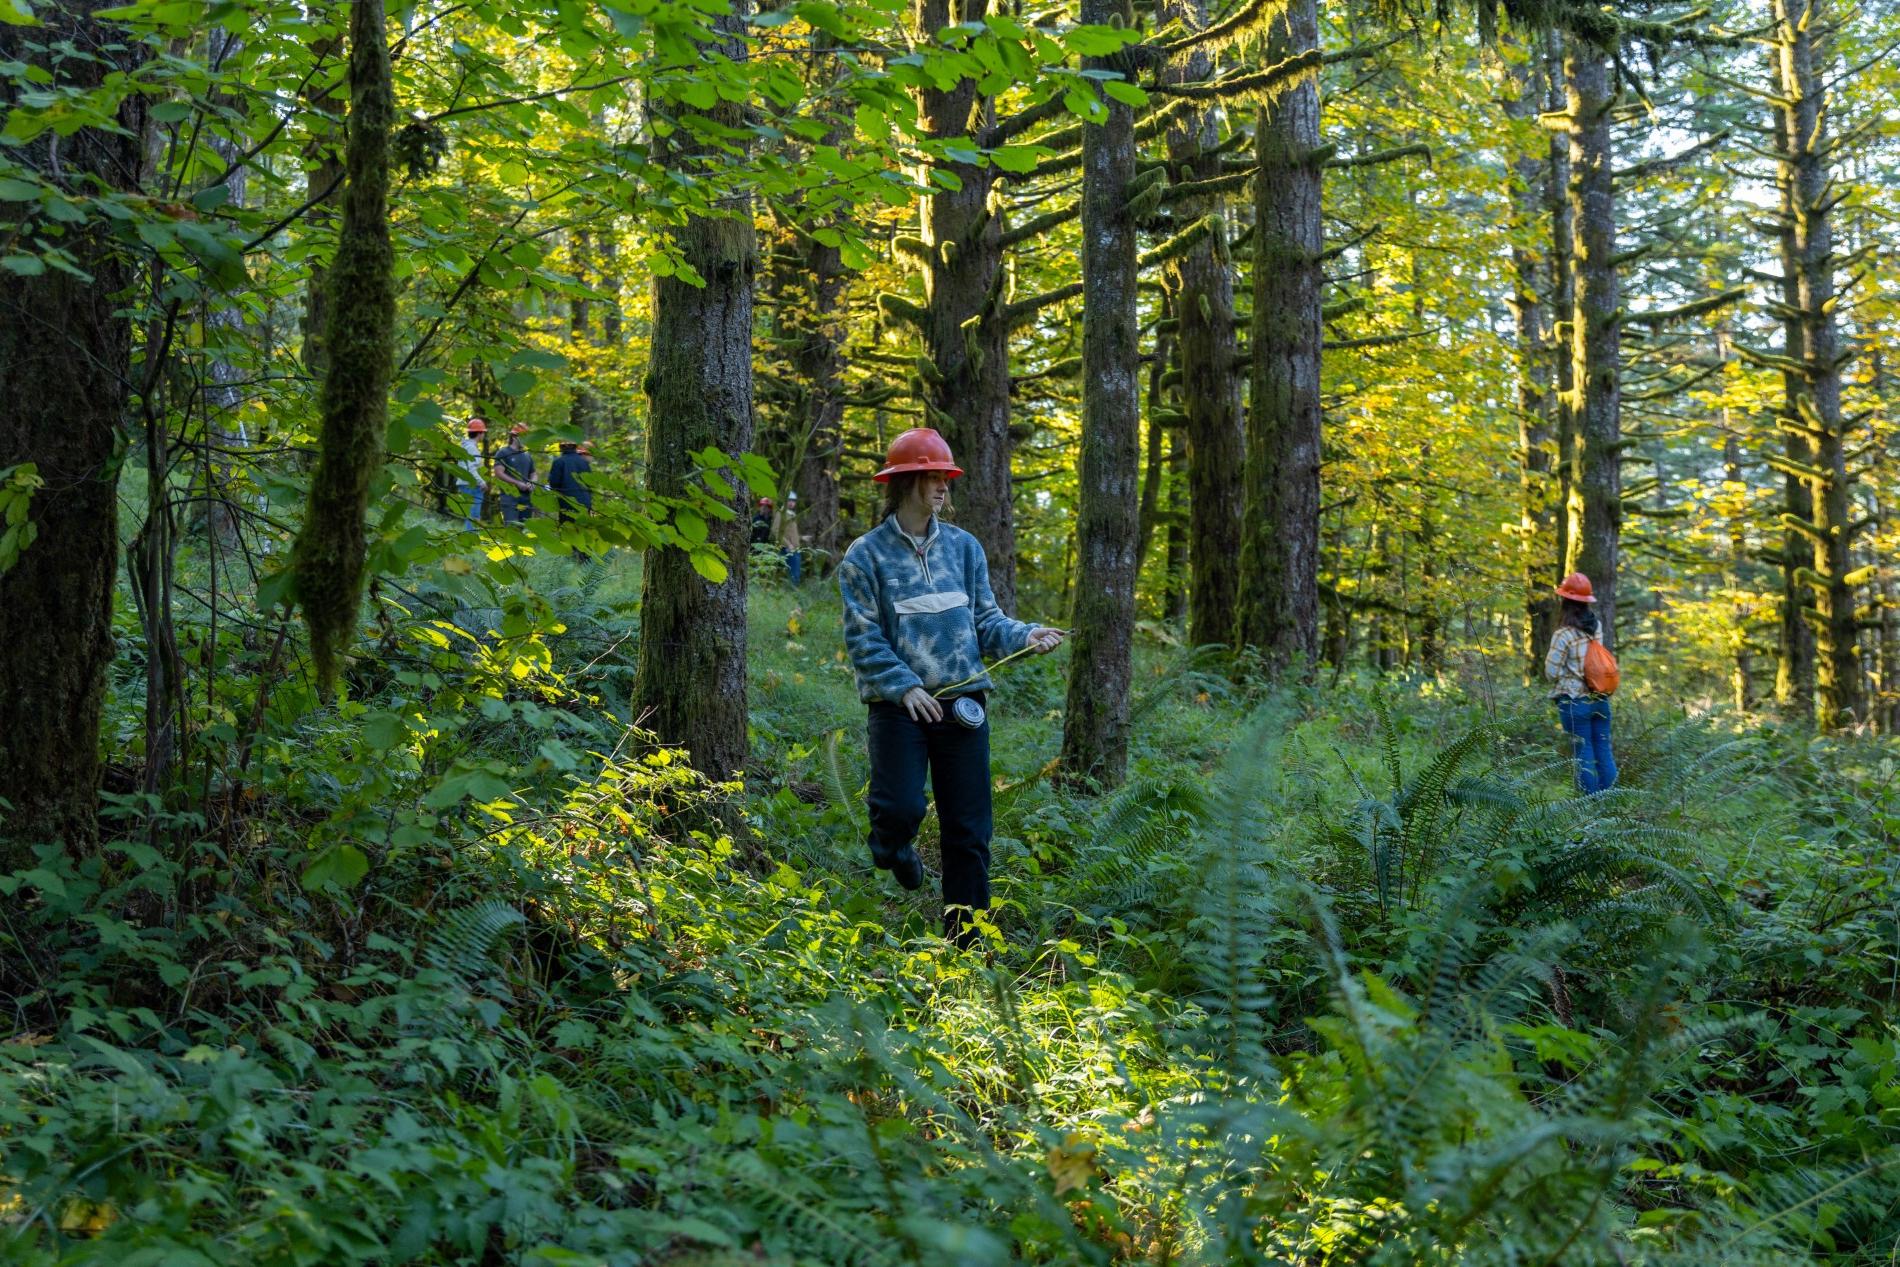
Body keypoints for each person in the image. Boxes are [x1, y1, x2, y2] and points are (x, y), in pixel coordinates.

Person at [837, 428, 1065, 945]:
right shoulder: (865, 556)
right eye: (933, 477)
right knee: (899, 810)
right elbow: (863, 635)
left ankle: (966, 946)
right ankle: (893, 850)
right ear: (905, 482)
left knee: (969, 831)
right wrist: (901, 685)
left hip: (963, 702)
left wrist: (1025, 634)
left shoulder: (964, 549)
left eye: (946, 477)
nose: (942, 486)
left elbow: (986, 620)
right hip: (900, 707)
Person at [1545, 571, 1618, 794]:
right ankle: (1611, 803)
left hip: (1574, 702)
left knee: (1583, 753)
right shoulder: (1595, 628)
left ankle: (1588, 808)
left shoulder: (1563, 634)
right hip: (1600, 698)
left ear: (1565, 601)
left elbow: (1551, 672)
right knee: (1603, 751)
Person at [547, 439, 593, 561]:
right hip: (585, 503)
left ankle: (570, 560)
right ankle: (585, 561)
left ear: (561, 447)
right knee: (582, 532)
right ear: (575, 446)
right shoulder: (584, 463)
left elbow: (554, 484)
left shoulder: (558, 462)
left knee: (568, 532)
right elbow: (590, 483)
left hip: (567, 503)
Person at [493, 424, 536, 524]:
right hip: (509, 497)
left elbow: (534, 473)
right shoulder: (503, 452)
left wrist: (532, 482)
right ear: (514, 436)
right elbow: (498, 473)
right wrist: (517, 483)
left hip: (526, 498)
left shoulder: (527, 455)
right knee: (511, 527)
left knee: (524, 529)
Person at [458, 417, 488, 531]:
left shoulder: (467, 446)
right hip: (471, 485)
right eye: (483, 432)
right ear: (479, 433)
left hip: (466, 483)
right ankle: (471, 540)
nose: (483, 435)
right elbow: (471, 468)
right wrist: (481, 482)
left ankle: (471, 539)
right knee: (473, 515)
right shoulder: (471, 448)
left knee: (471, 514)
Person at [777, 489, 803, 586]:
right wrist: (788, 544)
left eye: (794, 501)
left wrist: (802, 538)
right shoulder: (781, 513)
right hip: (786, 548)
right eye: (790, 500)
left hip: (795, 548)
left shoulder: (792, 514)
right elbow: (776, 531)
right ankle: (792, 590)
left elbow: (791, 533)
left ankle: (792, 590)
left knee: (795, 571)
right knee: (793, 573)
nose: (792, 503)